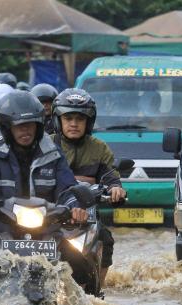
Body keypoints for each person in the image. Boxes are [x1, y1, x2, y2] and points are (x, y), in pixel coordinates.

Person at [0, 90, 88, 286]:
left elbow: (68, 188)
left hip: (47, 224)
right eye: (19, 126)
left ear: (38, 126)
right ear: (7, 127)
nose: (25, 131)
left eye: (30, 125)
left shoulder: (53, 154)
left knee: (81, 266)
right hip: (3, 224)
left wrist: (76, 207)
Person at [51, 88, 126, 287]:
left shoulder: (99, 148)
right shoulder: (45, 146)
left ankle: (98, 290)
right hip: (50, 215)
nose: (74, 124)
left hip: (88, 215)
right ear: (58, 120)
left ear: (88, 122)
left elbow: (111, 177)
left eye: (80, 119)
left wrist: (116, 189)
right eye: (68, 118)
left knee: (106, 239)